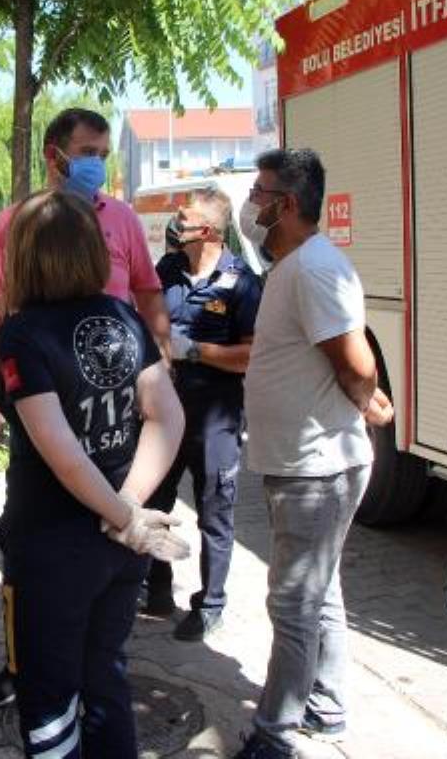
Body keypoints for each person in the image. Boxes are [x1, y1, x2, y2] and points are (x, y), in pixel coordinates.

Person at [0, 108, 170, 709]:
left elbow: (149, 296)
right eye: (87, 152)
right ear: (54, 155)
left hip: (114, 418)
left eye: (104, 153)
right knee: (31, 543)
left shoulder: (122, 220)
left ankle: (84, 665)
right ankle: (23, 662)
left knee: (101, 568)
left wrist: (158, 365)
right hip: (41, 402)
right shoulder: (17, 223)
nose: (97, 164)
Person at [0, 190, 187, 757]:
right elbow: (167, 417)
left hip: (54, 546)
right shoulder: (123, 316)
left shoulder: (23, 334)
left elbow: (63, 453)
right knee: (105, 678)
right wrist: (128, 510)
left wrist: (123, 513)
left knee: (48, 697)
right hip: (119, 545)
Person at [234, 148, 394, 759]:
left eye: (259, 193)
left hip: (317, 468)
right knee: (319, 594)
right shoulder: (293, 266)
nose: (251, 205)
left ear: (287, 203)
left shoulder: (314, 269)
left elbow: (356, 362)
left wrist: (368, 400)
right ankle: (326, 707)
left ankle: (275, 735)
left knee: (294, 602)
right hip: (299, 463)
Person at [144, 187, 263, 641]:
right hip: (164, 413)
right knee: (154, 502)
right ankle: (157, 590)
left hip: (215, 417)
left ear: (209, 230)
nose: (177, 222)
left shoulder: (243, 282)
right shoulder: (168, 269)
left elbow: (251, 355)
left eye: (185, 217)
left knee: (214, 512)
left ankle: (210, 604)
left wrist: (194, 350)